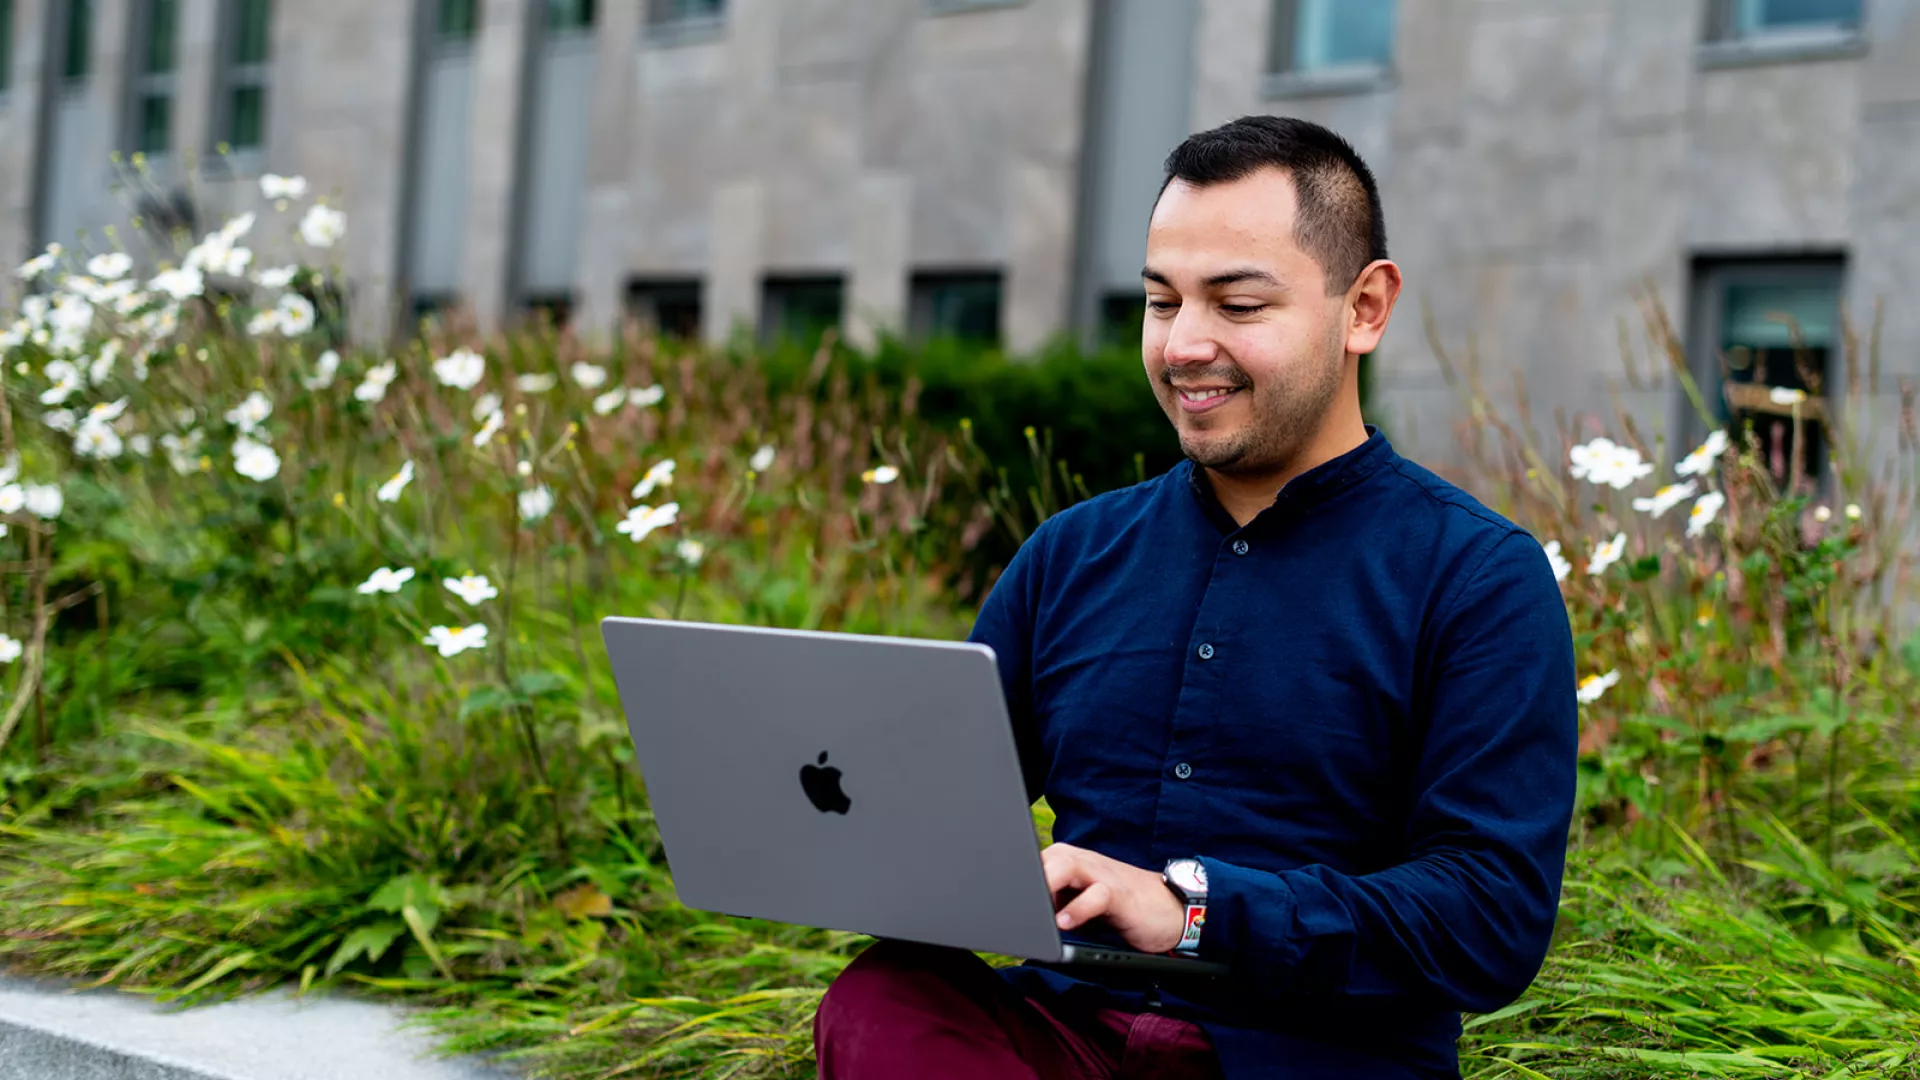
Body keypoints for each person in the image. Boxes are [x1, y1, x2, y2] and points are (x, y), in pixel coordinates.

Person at [812, 114, 1578, 1080]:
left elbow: (1488, 919)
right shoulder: (1072, 554)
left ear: (1366, 308)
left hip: (1309, 1059)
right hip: (1064, 1038)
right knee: (882, 997)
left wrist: (1192, 912)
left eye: (1238, 305)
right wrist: (836, 830)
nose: (1184, 345)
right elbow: (941, 818)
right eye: (1160, 301)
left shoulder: (1476, 577)